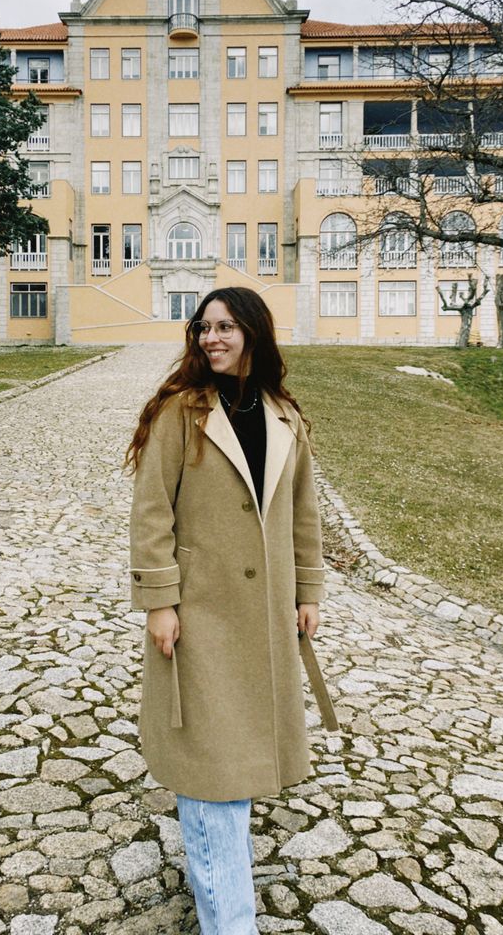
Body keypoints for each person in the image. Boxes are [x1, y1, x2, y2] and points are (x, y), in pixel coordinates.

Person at [125, 286, 336, 935]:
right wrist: (160, 601)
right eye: (203, 327)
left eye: (225, 326)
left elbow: (304, 511)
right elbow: (151, 512)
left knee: (230, 767)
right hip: (200, 614)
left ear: (253, 332)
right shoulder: (178, 413)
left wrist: (308, 591)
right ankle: (231, 921)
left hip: (265, 618)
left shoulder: (283, 415)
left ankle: (219, 869)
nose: (211, 337)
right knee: (210, 768)